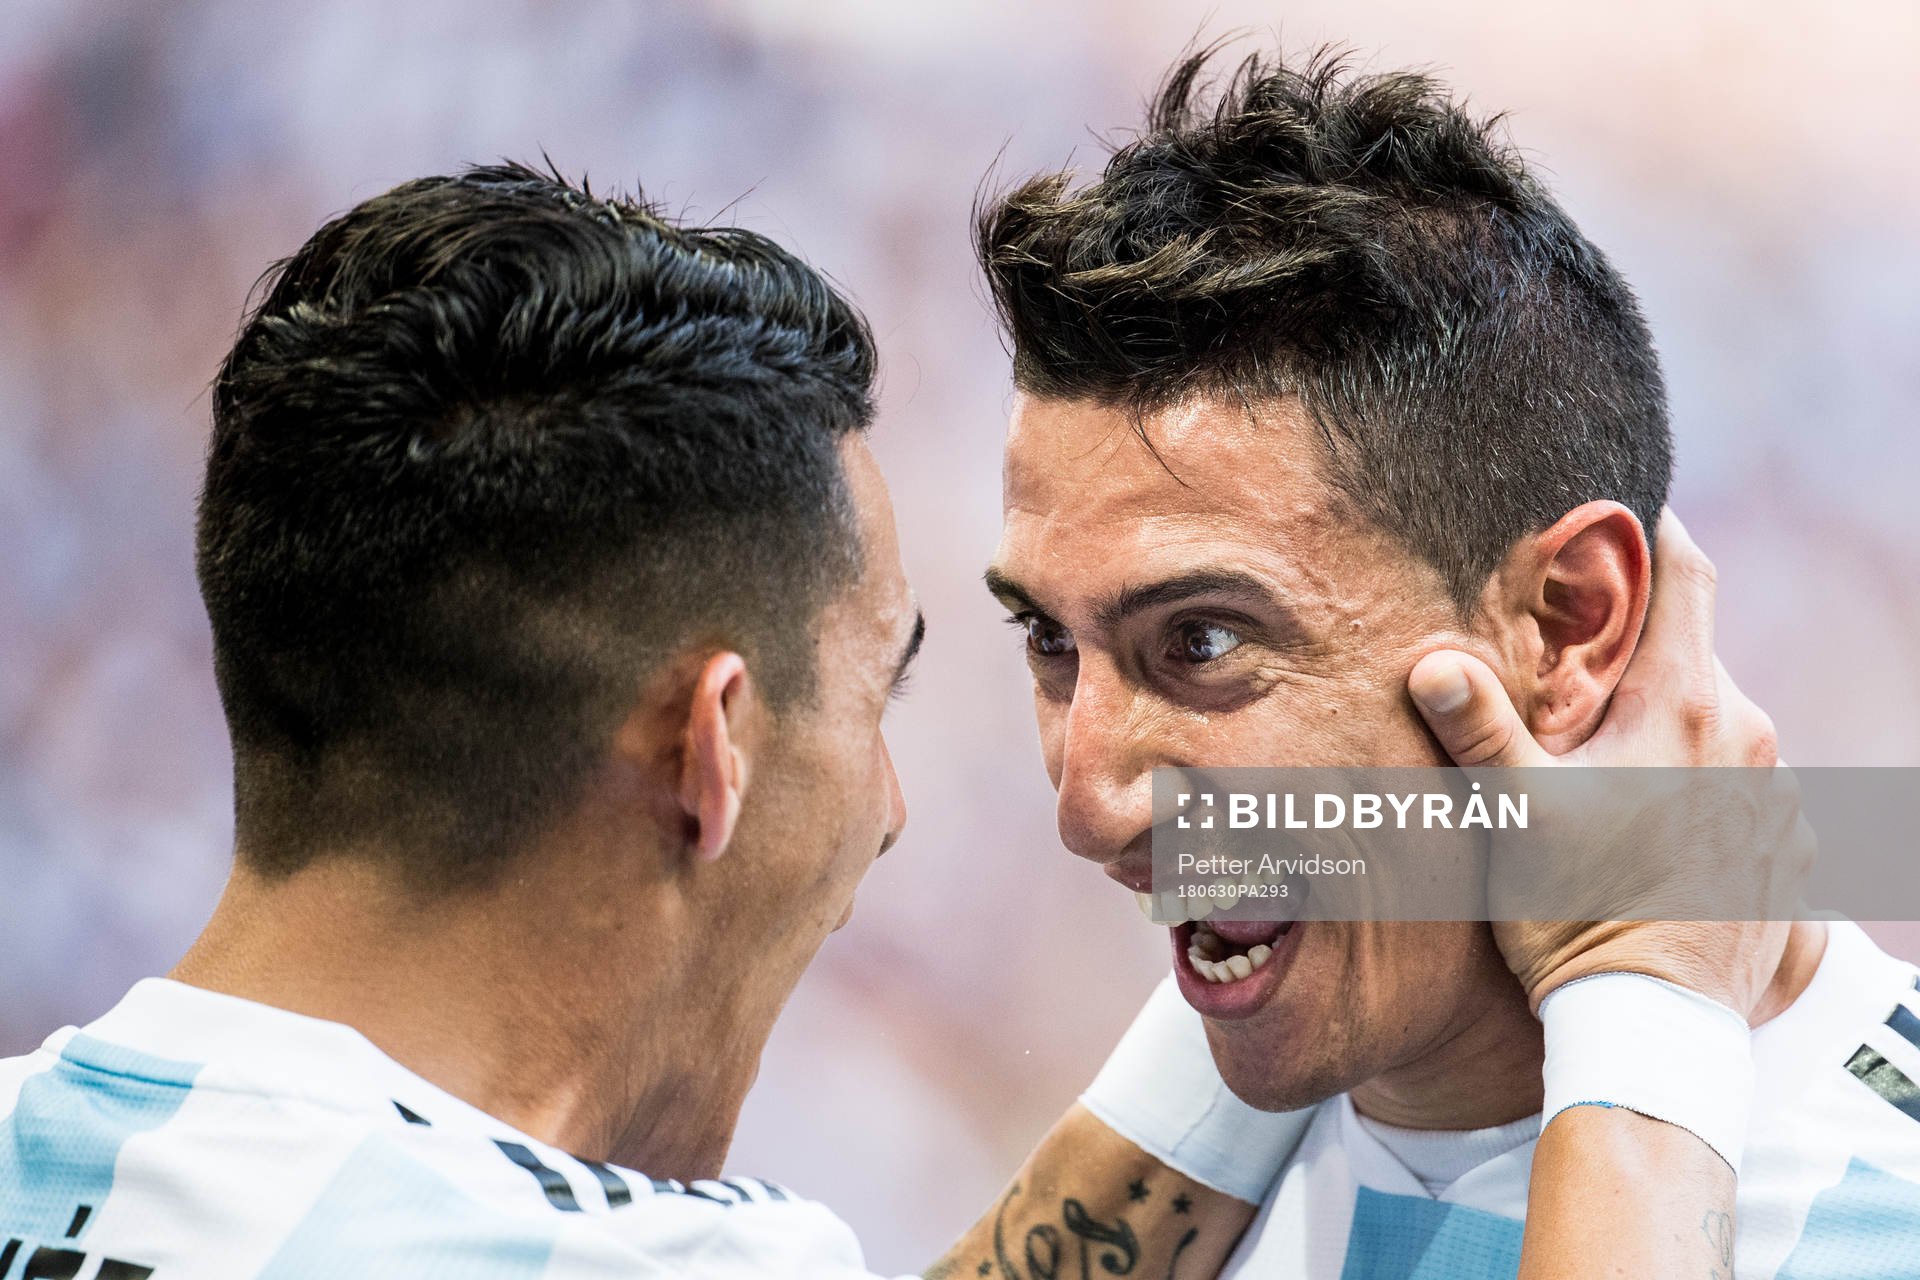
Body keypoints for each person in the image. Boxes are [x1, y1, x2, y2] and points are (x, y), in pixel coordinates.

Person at [975, 45, 1920, 1277]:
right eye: (1050, 639)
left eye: (1202, 640)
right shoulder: (1217, 1128)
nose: (1087, 809)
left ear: (1570, 624)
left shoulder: (1879, 1212)